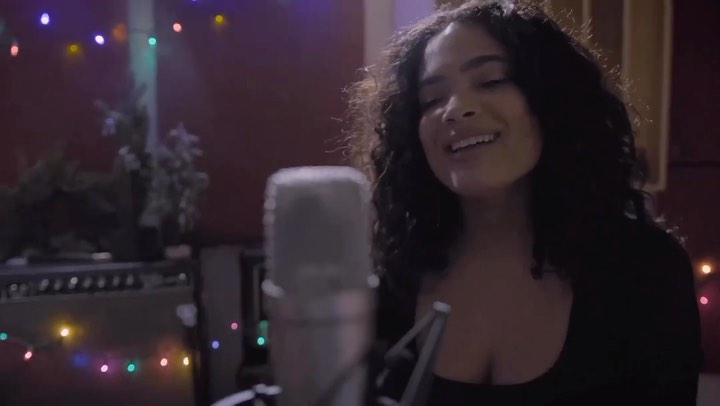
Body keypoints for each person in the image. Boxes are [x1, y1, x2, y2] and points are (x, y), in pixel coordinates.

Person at [345, 0, 703, 404]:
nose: (455, 110)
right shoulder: (392, 275)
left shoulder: (646, 271)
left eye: (491, 80)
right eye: (432, 99)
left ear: (551, 99)